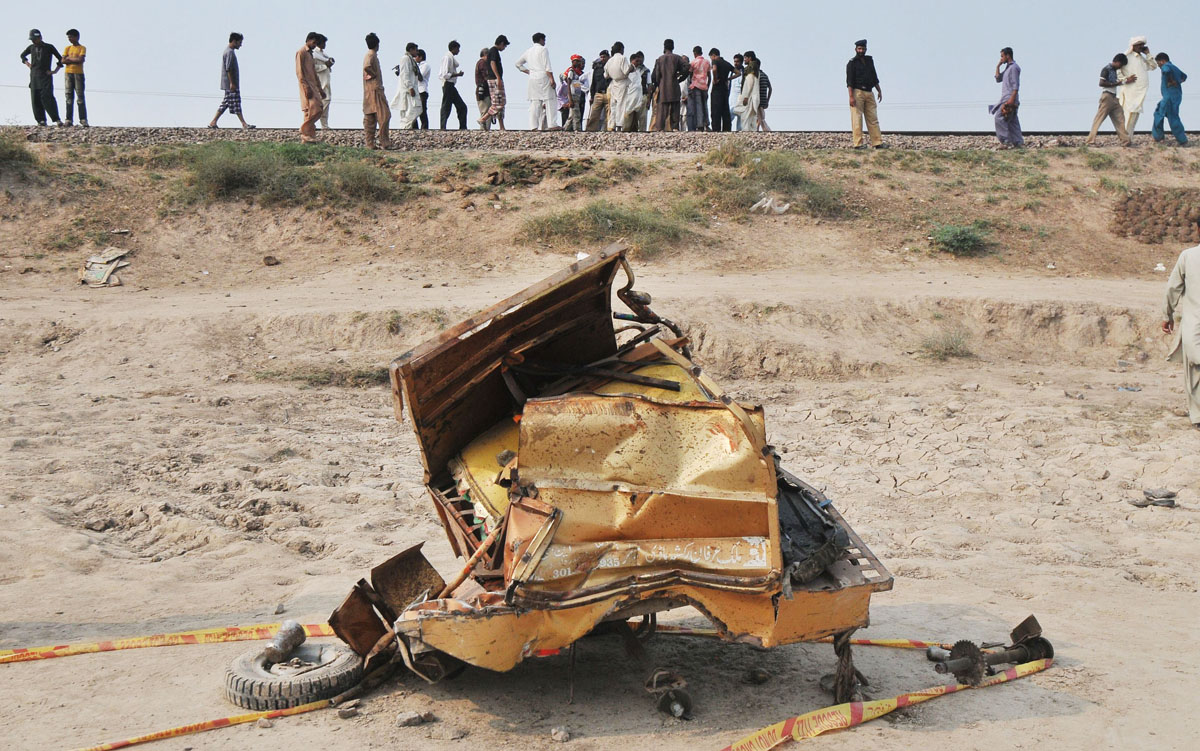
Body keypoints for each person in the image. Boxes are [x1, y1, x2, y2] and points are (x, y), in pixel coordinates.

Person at [1162, 218, 1200, 428]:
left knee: (1194, 372)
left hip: (1194, 326)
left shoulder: (1188, 256)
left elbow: (1172, 288)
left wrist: (1167, 315)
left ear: (1198, 230)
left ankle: (1198, 416)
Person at [1086, 54, 1135, 147]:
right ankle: (1090, 140)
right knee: (1099, 119)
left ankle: (1125, 141)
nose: (1121, 67)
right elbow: (1101, 83)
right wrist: (1117, 83)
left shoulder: (1114, 71)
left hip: (1114, 97)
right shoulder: (1106, 69)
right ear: (1116, 62)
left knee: (1120, 118)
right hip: (1107, 96)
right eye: (1120, 65)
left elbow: (1117, 82)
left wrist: (1125, 81)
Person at [20, 29, 63, 127]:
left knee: (47, 97)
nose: (33, 41)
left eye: (35, 39)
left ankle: (56, 119)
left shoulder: (49, 47)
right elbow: (22, 55)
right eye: (32, 39)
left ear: (40, 37)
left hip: (45, 76)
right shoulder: (31, 47)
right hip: (34, 76)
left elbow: (61, 59)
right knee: (36, 98)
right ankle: (41, 120)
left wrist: (54, 71)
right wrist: (27, 63)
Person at [210, 32, 252, 129]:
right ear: (234, 41)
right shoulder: (229, 52)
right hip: (230, 84)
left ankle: (214, 121)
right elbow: (228, 68)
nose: (240, 45)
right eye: (239, 42)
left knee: (227, 103)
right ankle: (244, 124)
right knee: (235, 103)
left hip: (230, 84)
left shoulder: (229, 52)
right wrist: (232, 83)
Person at [846, 39, 883, 148]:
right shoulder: (852, 63)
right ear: (856, 49)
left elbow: (874, 77)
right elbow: (849, 82)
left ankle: (877, 142)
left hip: (869, 92)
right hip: (857, 92)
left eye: (863, 48)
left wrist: (879, 90)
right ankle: (858, 144)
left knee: (873, 118)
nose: (861, 50)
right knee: (857, 118)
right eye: (859, 49)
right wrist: (851, 97)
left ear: (866, 49)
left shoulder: (869, 61)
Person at [515, 33, 556, 131]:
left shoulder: (528, 51)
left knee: (535, 101)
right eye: (544, 40)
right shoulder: (543, 49)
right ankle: (552, 124)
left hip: (532, 77)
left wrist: (528, 71)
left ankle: (533, 126)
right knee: (550, 99)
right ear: (541, 40)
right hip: (543, 76)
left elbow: (518, 64)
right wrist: (552, 79)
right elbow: (547, 66)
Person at [1119, 36, 1157, 133]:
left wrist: (1148, 54)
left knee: (1134, 116)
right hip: (1129, 92)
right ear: (1133, 46)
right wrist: (1125, 79)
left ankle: (1128, 139)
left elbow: (1153, 66)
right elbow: (1117, 71)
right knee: (1128, 115)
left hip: (1139, 93)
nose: (1141, 46)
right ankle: (1125, 139)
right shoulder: (1126, 57)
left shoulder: (1141, 58)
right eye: (1138, 45)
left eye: (1142, 45)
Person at [651, 40, 689, 132]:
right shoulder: (677, 58)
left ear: (664, 47)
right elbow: (687, 67)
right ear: (673, 47)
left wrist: (658, 84)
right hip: (674, 86)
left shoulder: (660, 59)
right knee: (675, 108)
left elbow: (655, 76)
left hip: (663, 88)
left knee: (662, 110)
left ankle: (660, 128)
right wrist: (680, 78)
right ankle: (675, 127)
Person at [1152, 52, 1188, 146]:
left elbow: (1166, 70)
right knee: (1160, 113)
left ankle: (1181, 140)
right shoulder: (1174, 67)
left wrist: (1171, 80)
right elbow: (1184, 77)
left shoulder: (1166, 66)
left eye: (1158, 63)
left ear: (1162, 61)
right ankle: (1160, 137)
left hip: (1169, 97)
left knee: (1170, 117)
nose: (1159, 66)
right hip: (1176, 96)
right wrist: (1177, 82)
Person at [362, 32, 390, 149]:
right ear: (377, 44)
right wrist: (373, 75)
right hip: (375, 90)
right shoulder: (371, 55)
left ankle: (370, 143)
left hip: (369, 90)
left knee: (370, 117)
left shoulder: (369, 55)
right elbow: (367, 67)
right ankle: (384, 141)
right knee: (384, 115)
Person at [990, 47, 1022, 148]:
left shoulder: (1014, 68)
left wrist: (1012, 99)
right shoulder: (1008, 68)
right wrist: (998, 66)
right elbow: (998, 79)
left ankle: (1006, 141)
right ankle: (1018, 142)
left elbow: (1016, 85)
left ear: (1008, 55)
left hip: (1009, 98)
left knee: (999, 117)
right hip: (1007, 97)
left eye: (1002, 56)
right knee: (1012, 120)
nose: (1001, 59)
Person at [296, 32, 325, 143]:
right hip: (306, 86)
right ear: (308, 40)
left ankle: (308, 137)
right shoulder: (301, 52)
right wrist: (305, 86)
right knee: (313, 109)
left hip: (313, 85)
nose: (314, 45)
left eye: (316, 43)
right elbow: (299, 72)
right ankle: (304, 130)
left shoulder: (310, 54)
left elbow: (314, 73)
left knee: (315, 109)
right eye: (313, 42)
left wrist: (320, 89)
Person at [479, 35, 509, 130]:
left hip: (494, 79)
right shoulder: (494, 51)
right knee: (499, 103)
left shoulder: (493, 51)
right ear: (501, 43)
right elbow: (492, 63)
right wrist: (498, 78)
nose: (504, 48)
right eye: (504, 46)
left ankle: (501, 126)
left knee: (499, 102)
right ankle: (484, 118)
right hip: (494, 79)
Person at [391, 43, 422, 130]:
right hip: (408, 90)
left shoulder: (410, 59)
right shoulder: (405, 59)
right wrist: (410, 87)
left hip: (412, 89)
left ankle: (407, 128)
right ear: (411, 50)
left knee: (415, 109)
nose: (417, 52)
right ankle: (404, 128)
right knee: (409, 111)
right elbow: (405, 74)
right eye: (416, 50)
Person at [438, 40, 468, 130]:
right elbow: (445, 74)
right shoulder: (447, 58)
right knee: (446, 107)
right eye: (458, 49)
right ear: (454, 48)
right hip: (448, 85)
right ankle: (443, 127)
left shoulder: (450, 58)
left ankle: (462, 127)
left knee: (462, 107)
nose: (458, 51)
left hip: (451, 85)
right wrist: (457, 74)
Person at [605, 42, 633, 131]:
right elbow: (625, 71)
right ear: (621, 49)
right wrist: (631, 68)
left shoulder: (610, 60)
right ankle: (619, 125)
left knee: (613, 105)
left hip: (614, 83)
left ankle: (611, 125)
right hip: (622, 83)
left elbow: (606, 75)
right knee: (621, 104)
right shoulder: (623, 58)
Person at [62, 29, 87, 127]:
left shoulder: (82, 48)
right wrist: (71, 60)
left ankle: (83, 119)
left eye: (71, 37)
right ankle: (68, 119)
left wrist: (69, 59)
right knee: (68, 96)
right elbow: (63, 60)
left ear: (76, 37)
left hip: (78, 74)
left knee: (80, 96)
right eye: (68, 37)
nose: (69, 39)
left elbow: (80, 60)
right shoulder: (67, 48)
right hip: (68, 73)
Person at [709, 48, 735, 132]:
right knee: (725, 109)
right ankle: (726, 129)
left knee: (716, 109)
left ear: (713, 55)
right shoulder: (727, 63)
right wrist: (729, 78)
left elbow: (714, 69)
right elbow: (738, 73)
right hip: (725, 88)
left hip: (717, 88)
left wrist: (715, 79)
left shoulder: (715, 61)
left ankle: (716, 129)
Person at [561, 54, 589, 131]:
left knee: (571, 115)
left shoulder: (578, 73)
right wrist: (570, 99)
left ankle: (564, 129)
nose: (579, 63)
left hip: (577, 95)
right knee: (577, 114)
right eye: (578, 61)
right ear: (574, 62)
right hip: (573, 95)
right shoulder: (571, 72)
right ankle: (578, 129)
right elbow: (568, 85)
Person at [623, 51, 649, 131]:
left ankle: (641, 133)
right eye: (637, 60)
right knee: (628, 117)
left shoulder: (645, 71)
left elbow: (649, 84)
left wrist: (648, 98)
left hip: (641, 97)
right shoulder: (627, 70)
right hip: (629, 97)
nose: (639, 61)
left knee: (642, 118)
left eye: (640, 59)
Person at [686, 45, 711, 131]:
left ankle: (700, 125)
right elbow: (709, 76)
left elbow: (689, 74)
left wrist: (690, 84)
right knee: (705, 105)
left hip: (696, 86)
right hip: (704, 86)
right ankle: (706, 124)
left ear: (695, 53)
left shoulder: (693, 62)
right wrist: (708, 85)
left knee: (698, 106)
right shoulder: (707, 62)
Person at [312, 34, 334, 129]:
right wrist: (325, 66)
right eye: (323, 42)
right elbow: (313, 68)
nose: (325, 44)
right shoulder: (314, 54)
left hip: (326, 81)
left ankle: (324, 125)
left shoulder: (323, 54)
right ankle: (312, 121)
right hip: (320, 81)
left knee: (327, 101)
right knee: (323, 102)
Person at [586, 50, 611, 132]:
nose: (603, 59)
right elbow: (594, 82)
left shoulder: (611, 67)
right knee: (594, 114)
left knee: (609, 115)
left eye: (604, 57)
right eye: (601, 57)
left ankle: (607, 130)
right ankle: (590, 130)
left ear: (608, 57)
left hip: (608, 93)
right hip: (598, 94)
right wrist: (592, 96)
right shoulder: (597, 68)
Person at [733, 57, 760, 131]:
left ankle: (746, 131)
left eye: (745, 58)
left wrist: (746, 97)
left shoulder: (750, 75)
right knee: (750, 117)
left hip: (748, 98)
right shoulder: (755, 74)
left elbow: (749, 86)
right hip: (750, 98)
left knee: (746, 116)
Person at [474, 48, 493, 130]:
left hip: (482, 91)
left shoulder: (480, 63)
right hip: (483, 91)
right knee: (486, 112)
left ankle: (485, 129)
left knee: (485, 111)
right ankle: (484, 130)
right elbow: (486, 76)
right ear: (486, 55)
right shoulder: (482, 63)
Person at [412, 49, 431, 129]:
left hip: (422, 90)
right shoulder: (418, 65)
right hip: (416, 91)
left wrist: (415, 68)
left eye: (416, 56)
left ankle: (424, 128)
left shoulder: (425, 65)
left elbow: (420, 78)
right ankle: (414, 128)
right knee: (414, 111)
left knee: (422, 111)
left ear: (420, 57)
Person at [755, 55, 773, 131]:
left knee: (759, 118)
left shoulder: (756, 76)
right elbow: (770, 88)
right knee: (761, 118)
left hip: (757, 100)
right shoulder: (765, 75)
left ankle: (757, 130)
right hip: (763, 101)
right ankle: (760, 130)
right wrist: (767, 100)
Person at [731, 53, 744, 131]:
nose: (735, 63)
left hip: (740, 99)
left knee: (740, 121)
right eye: (734, 61)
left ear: (741, 62)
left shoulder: (744, 73)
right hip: (731, 99)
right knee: (729, 118)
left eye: (737, 62)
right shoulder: (731, 72)